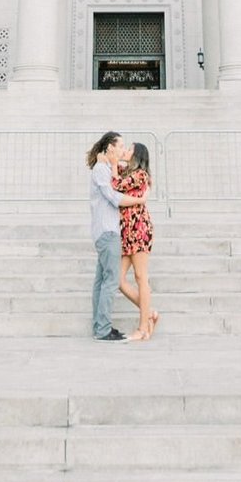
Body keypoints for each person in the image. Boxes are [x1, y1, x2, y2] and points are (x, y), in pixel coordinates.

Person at [86, 131, 143, 341]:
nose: (122, 149)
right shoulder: (101, 169)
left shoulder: (105, 167)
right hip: (108, 231)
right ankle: (103, 329)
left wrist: (113, 163)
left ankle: (100, 327)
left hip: (106, 231)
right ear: (110, 147)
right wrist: (139, 200)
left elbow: (124, 172)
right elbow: (113, 197)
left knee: (101, 281)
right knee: (110, 281)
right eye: (120, 146)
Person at [114, 141, 159, 342]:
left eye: (130, 149)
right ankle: (149, 313)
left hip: (139, 228)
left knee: (141, 277)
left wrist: (115, 161)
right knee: (118, 279)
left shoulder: (140, 174)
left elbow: (116, 186)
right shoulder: (126, 171)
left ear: (137, 155)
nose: (126, 151)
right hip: (127, 231)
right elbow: (114, 175)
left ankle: (142, 328)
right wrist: (115, 158)